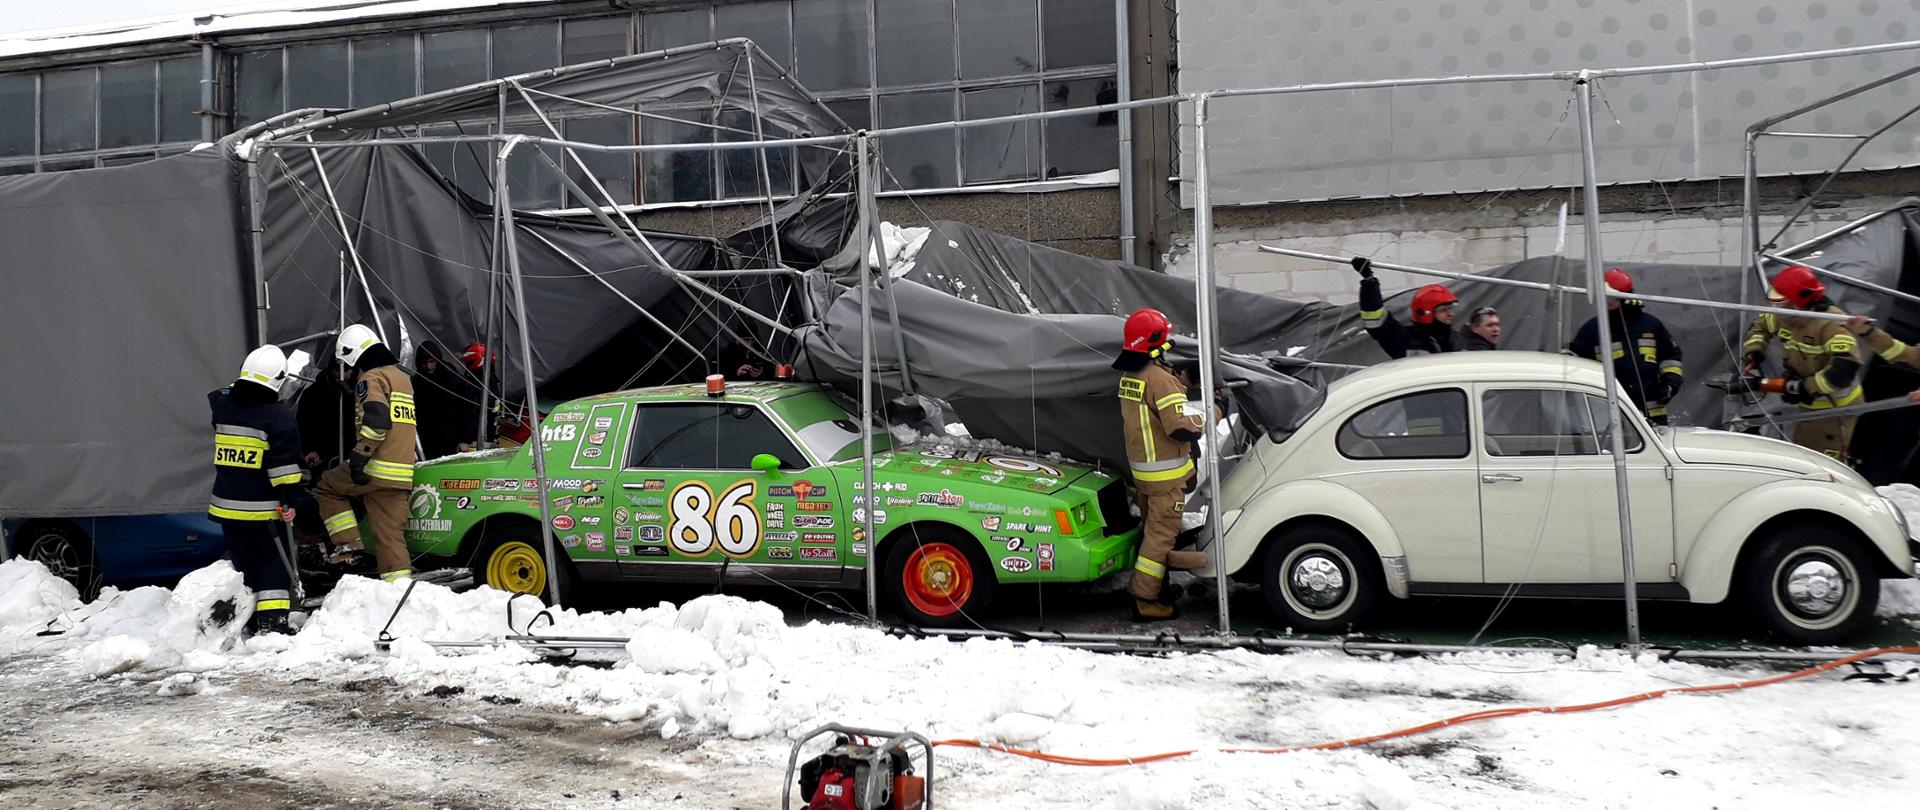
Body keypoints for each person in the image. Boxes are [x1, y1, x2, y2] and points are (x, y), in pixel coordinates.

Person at [1112, 308, 1213, 622]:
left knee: (1152, 533)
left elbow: (1154, 399)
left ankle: (1159, 587)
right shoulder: (1160, 380)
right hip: (1166, 479)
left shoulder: (1132, 375)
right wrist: (1214, 413)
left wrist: (1183, 380)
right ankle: (1145, 600)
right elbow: (1179, 427)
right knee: (1160, 540)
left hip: (1145, 474)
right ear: (1155, 343)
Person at [208, 345, 305, 635]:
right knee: (272, 564)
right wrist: (289, 503)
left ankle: (248, 618)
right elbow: (284, 469)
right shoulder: (279, 417)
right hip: (264, 510)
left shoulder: (223, 406)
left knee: (244, 565)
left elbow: (221, 393)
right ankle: (272, 623)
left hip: (227, 507)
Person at [312, 324, 418, 582]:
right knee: (390, 537)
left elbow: (378, 422)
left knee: (326, 486)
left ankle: (349, 548)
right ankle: (398, 587)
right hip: (402, 473)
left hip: (374, 467)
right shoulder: (402, 378)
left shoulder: (370, 378)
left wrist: (360, 457)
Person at [1741, 264, 1871, 460]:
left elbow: (1845, 368)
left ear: (1799, 301)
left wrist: (1804, 388)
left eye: (1781, 303)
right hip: (1808, 403)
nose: (1776, 309)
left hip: (1835, 408)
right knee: (1803, 451)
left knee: (1821, 462)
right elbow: (1760, 327)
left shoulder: (1831, 324)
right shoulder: (1786, 315)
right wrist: (1754, 353)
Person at [1568, 269, 1685, 424]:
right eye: (1603, 298)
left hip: (1653, 414)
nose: (1606, 302)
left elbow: (1671, 358)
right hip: (1611, 415)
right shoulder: (1593, 329)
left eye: (1610, 298)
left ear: (1624, 298)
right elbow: (1573, 361)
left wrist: (1670, 384)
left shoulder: (1651, 325)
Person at [1352, 257, 1458, 357]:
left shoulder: (1456, 338)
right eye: (1444, 310)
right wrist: (1369, 281)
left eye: (1450, 308)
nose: (1451, 314)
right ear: (1425, 312)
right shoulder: (1403, 339)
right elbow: (1375, 318)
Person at [414, 342, 478, 458]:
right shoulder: (418, 382)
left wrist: (465, 440)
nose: (428, 367)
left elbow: (469, 411)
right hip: (427, 443)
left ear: (438, 360)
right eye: (424, 363)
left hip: (452, 443)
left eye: (431, 362)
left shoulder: (454, 380)